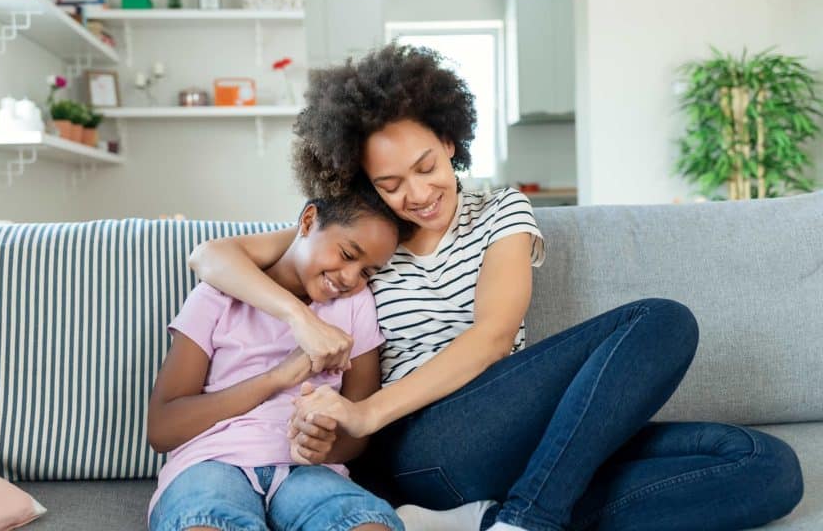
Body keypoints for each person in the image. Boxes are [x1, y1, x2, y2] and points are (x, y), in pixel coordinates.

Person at [189, 43, 804, 531]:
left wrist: (361, 411)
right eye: (392, 182)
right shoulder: (365, 241)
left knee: (766, 468)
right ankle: (528, 520)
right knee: (660, 318)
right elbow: (212, 255)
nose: (419, 193)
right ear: (364, 183)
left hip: (525, 431)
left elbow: (492, 337)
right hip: (426, 444)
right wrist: (301, 322)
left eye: (427, 166)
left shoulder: (501, 211)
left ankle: (494, 518)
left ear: (450, 143)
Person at [146, 191, 406, 531]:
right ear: (309, 221)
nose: (349, 278)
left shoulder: (355, 305)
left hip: (308, 474)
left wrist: (324, 443)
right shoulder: (217, 295)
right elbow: (163, 429)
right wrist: (276, 378)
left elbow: (357, 431)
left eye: (367, 272)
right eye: (346, 254)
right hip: (213, 462)